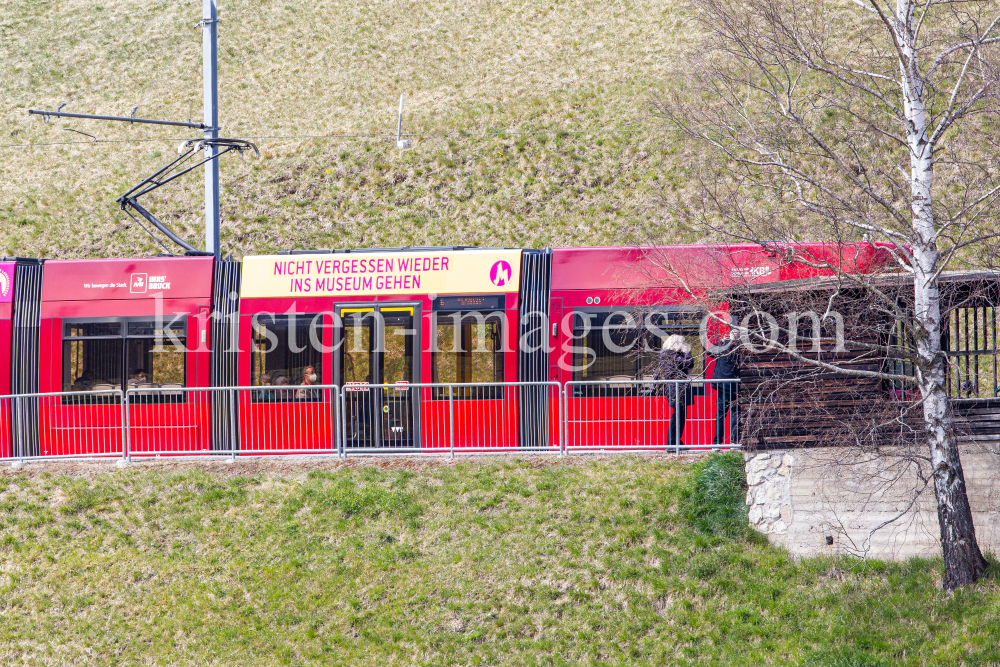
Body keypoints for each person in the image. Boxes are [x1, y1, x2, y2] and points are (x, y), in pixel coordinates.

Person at [657, 334, 694, 448]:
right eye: (682, 343)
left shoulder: (668, 355)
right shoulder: (672, 355)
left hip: (676, 388)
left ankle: (676, 442)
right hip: (677, 389)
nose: (683, 345)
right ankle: (672, 443)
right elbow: (688, 364)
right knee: (678, 415)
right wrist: (687, 352)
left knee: (680, 415)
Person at [710, 328, 743, 445]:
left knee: (720, 415)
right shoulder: (741, 348)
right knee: (735, 415)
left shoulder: (723, 347)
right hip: (736, 387)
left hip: (722, 387)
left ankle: (717, 442)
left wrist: (723, 341)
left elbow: (710, 351)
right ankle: (735, 442)